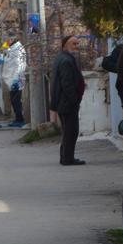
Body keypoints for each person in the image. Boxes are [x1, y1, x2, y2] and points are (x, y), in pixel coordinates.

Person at [50, 35, 86, 166]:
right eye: (74, 44)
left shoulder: (63, 58)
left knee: (68, 130)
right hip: (67, 102)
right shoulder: (66, 60)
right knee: (71, 131)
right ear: (65, 45)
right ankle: (67, 158)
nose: (77, 47)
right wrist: (74, 99)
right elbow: (67, 83)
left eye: (77, 44)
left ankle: (65, 156)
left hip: (64, 101)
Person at [1, 40, 27, 127]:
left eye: (8, 40)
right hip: (12, 79)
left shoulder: (18, 49)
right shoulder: (13, 48)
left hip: (16, 79)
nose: (6, 41)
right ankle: (18, 118)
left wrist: (16, 79)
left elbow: (19, 65)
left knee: (16, 100)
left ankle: (20, 119)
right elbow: (4, 50)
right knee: (14, 100)